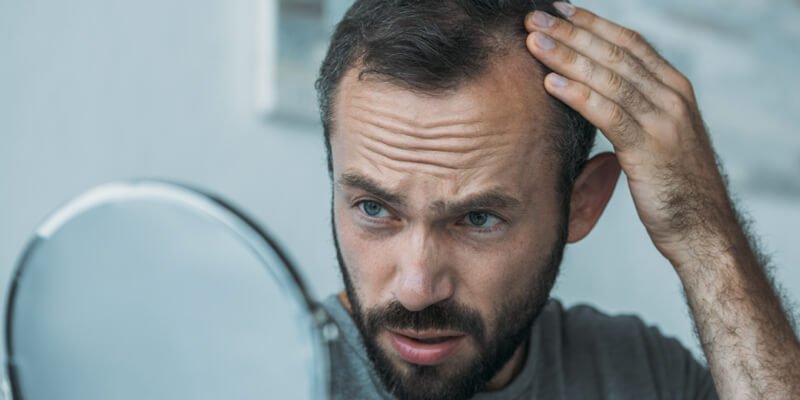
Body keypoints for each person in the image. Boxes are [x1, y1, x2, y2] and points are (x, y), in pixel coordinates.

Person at [313, 1, 800, 399]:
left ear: (582, 203)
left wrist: (704, 234)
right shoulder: (269, 371)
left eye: (478, 218)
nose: (417, 289)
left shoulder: (642, 376)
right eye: (373, 209)